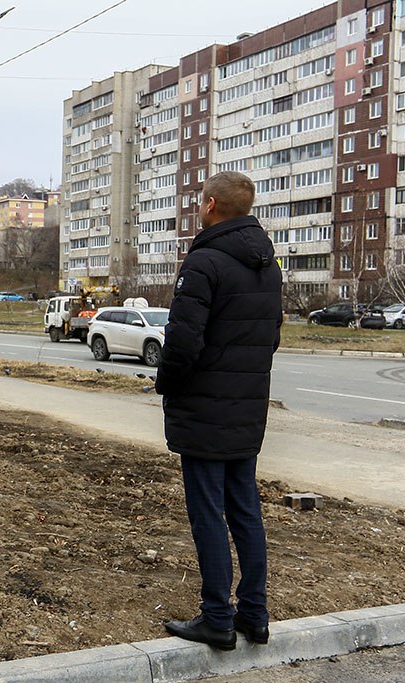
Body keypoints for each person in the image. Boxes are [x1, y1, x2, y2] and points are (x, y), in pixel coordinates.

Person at [155, 171, 282, 650]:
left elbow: (183, 343)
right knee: (245, 510)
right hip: (247, 410)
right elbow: (270, 338)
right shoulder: (268, 266)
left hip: (205, 411)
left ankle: (217, 617)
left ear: (210, 205)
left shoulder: (204, 260)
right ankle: (254, 614)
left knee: (207, 512)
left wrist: (165, 385)